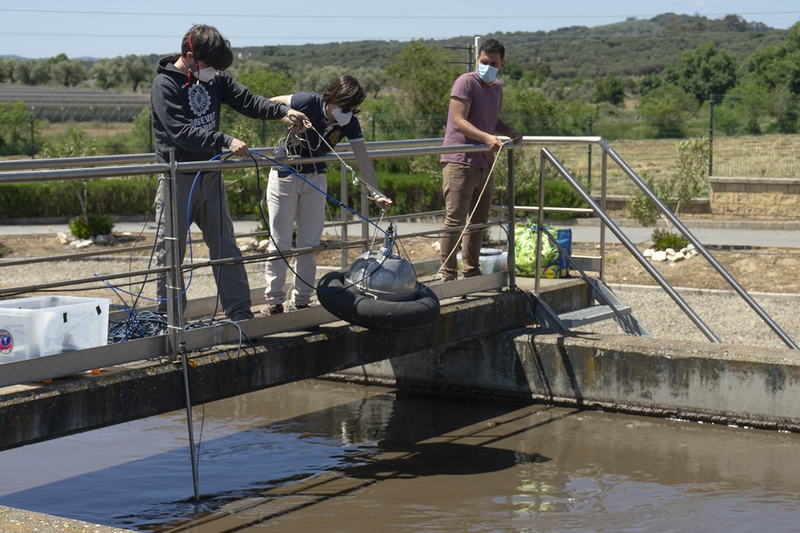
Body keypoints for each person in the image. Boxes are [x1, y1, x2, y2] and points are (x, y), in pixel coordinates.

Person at [150, 24, 308, 321]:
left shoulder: (215, 78)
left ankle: (240, 316)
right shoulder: (165, 86)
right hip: (177, 179)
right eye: (210, 67)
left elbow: (247, 100)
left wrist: (281, 112)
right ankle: (168, 324)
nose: (214, 73)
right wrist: (224, 140)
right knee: (170, 255)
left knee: (226, 249)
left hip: (210, 176)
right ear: (190, 57)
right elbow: (180, 132)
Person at [261, 74, 393, 315]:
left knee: (309, 243)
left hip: (315, 177)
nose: (349, 112)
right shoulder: (307, 101)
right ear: (331, 99)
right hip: (284, 175)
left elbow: (363, 161)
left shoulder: (349, 122)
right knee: (279, 242)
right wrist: (288, 115)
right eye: (346, 107)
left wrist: (376, 194)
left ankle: (301, 300)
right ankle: (273, 300)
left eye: (353, 109)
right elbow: (269, 102)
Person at [439, 38, 522, 282]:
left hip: (485, 163)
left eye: (493, 63)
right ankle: (447, 274)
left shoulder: (496, 87)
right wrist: (487, 138)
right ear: (478, 59)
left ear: (502, 64)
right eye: (483, 62)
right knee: (455, 219)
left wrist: (510, 132)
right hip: (460, 161)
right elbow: (459, 120)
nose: (487, 66)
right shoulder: (465, 83)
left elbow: (492, 120)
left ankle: (471, 273)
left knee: (478, 222)